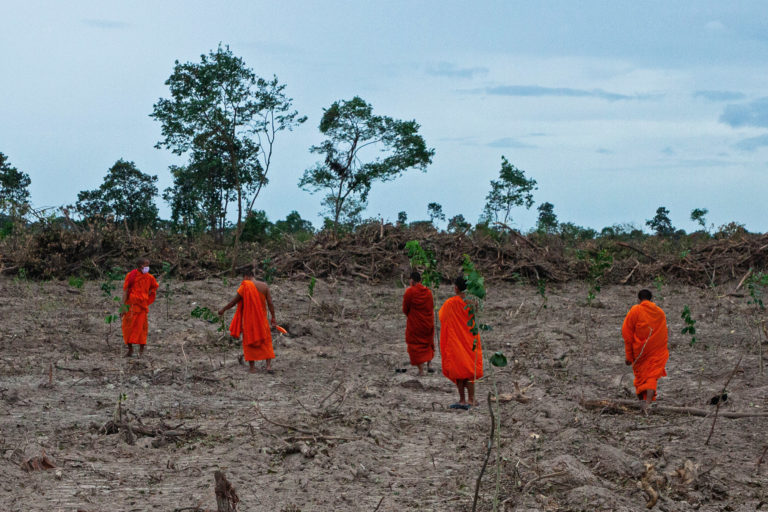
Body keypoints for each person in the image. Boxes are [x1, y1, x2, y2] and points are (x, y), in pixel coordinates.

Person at [219, 267, 277, 374]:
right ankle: (268, 366)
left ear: (246, 277)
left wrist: (223, 309)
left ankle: (252, 368)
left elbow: (233, 302)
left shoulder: (245, 285)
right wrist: (273, 317)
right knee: (266, 341)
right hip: (262, 320)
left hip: (249, 321)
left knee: (249, 342)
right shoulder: (264, 286)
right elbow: (270, 303)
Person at [621, 289, 669, 414]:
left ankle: (645, 403)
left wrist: (629, 356)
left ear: (638, 299)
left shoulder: (635, 310)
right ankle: (646, 402)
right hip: (656, 350)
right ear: (651, 299)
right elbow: (664, 334)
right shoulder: (660, 313)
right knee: (652, 375)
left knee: (642, 376)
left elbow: (627, 334)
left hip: (640, 352)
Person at [439, 275, 483, 410]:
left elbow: (442, 317)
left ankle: (462, 400)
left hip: (456, 340)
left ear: (456, 288)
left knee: (459, 370)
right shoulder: (473, 302)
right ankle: (471, 399)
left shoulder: (450, 303)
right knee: (469, 369)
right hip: (470, 339)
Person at [121, 257, 159, 358]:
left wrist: (145, 297)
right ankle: (130, 350)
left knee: (142, 329)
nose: (148, 267)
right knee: (127, 328)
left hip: (142, 307)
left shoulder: (149, 277)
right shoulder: (131, 276)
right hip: (131, 306)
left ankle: (141, 352)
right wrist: (122, 307)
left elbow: (154, 287)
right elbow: (125, 291)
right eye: (146, 265)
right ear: (141, 266)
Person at [402, 271, 435, 376]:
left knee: (414, 346)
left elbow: (405, 309)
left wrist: (412, 316)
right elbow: (430, 308)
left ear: (411, 280)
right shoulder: (428, 292)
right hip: (427, 323)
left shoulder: (409, 292)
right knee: (428, 343)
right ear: (420, 280)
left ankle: (421, 370)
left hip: (415, 324)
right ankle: (429, 364)